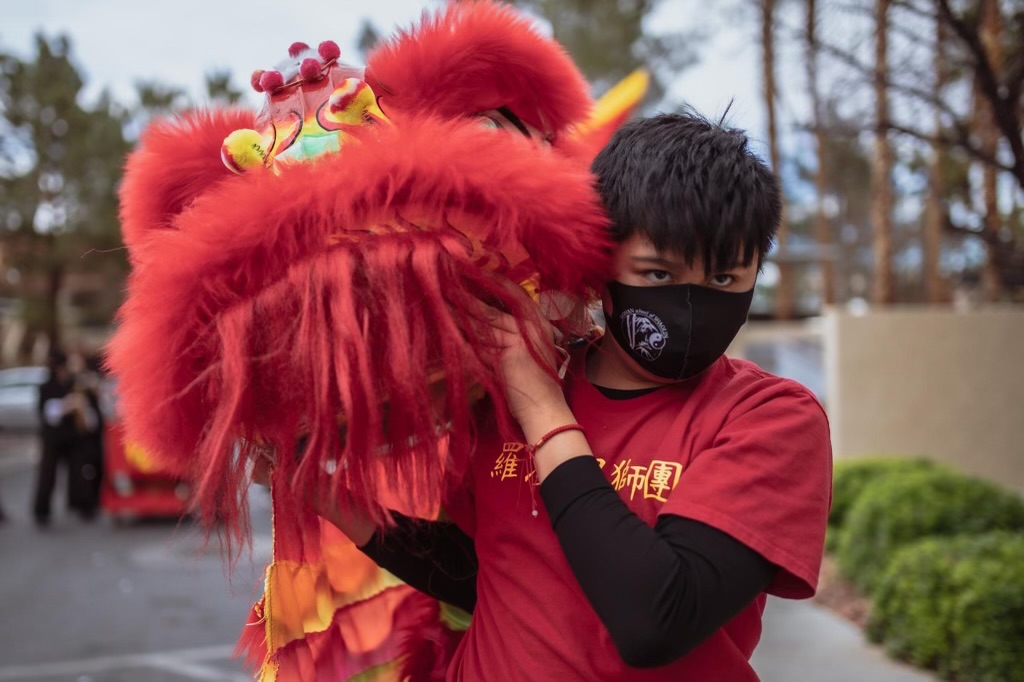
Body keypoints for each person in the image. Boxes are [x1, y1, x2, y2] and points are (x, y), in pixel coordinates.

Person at [314, 112, 833, 681]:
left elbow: (655, 619)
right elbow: (489, 572)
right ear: (598, 261)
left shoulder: (770, 418)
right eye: (657, 275)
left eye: (726, 281)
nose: (691, 307)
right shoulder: (521, 382)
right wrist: (326, 494)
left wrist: (541, 410)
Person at [33, 349, 104, 525]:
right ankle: (42, 511)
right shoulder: (46, 387)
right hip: (52, 438)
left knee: (80, 471)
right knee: (47, 475)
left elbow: (89, 414)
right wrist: (66, 405)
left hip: (73, 437)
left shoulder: (75, 385)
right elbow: (47, 413)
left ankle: (84, 506)